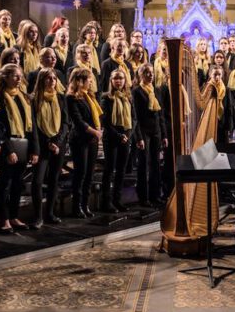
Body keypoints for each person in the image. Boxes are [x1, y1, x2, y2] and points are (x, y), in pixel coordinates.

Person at [0, 64, 38, 233]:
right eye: (15, 76)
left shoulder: (24, 97)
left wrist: (35, 150)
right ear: (5, 77)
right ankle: (4, 219)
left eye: (20, 76)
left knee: (18, 184)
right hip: (9, 145)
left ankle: (14, 216)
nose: (19, 79)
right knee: (5, 183)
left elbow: (32, 125)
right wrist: (8, 150)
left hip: (24, 144)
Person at [30, 67, 69, 228]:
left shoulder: (60, 98)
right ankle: (38, 216)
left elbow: (66, 122)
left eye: (54, 78)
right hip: (41, 145)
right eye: (48, 78)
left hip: (57, 145)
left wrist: (57, 142)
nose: (52, 81)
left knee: (54, 180)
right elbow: (32, 125)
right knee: (37, 182)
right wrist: (47, 143)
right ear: (41, 80)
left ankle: (50, 213)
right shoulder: (34, 99)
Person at [66, 68, 103, 218]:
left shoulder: (89, 96)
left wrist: (99, 129)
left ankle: (85, 204)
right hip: (80, 139)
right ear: (80, 81)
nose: (91, 81)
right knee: (80, 173)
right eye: (89, 79)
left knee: (89, 173)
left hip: (92, 139)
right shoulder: (71, 97)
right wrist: (95, 132)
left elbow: (96, 117)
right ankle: (76, 207)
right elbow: (78, 120)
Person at [100, 68, 138, 213]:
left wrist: (128, 134)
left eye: (121, 78)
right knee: (109, 170)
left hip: (126, 136)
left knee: (121, 171)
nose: (119, 81)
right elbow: (105, 121)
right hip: (112, 137)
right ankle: (106, 202)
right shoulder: (106, 97)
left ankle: (117, 200)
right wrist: (119, 135)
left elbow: (134, 119)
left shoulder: (129, 97)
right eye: (116, 78)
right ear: (111, 80)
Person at [132, 63, 167, 207]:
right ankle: (144, 197)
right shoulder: (137, 91)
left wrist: (164, 135)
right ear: (140, 75)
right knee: (144, 165)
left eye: (151, 72)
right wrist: (139, 137)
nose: (150, 75)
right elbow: (136, 117)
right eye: (146, 72)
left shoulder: (156, 90)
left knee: (155, 164)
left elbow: (161, 115)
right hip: (144, 131)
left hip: (156, 131)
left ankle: (155, 195)